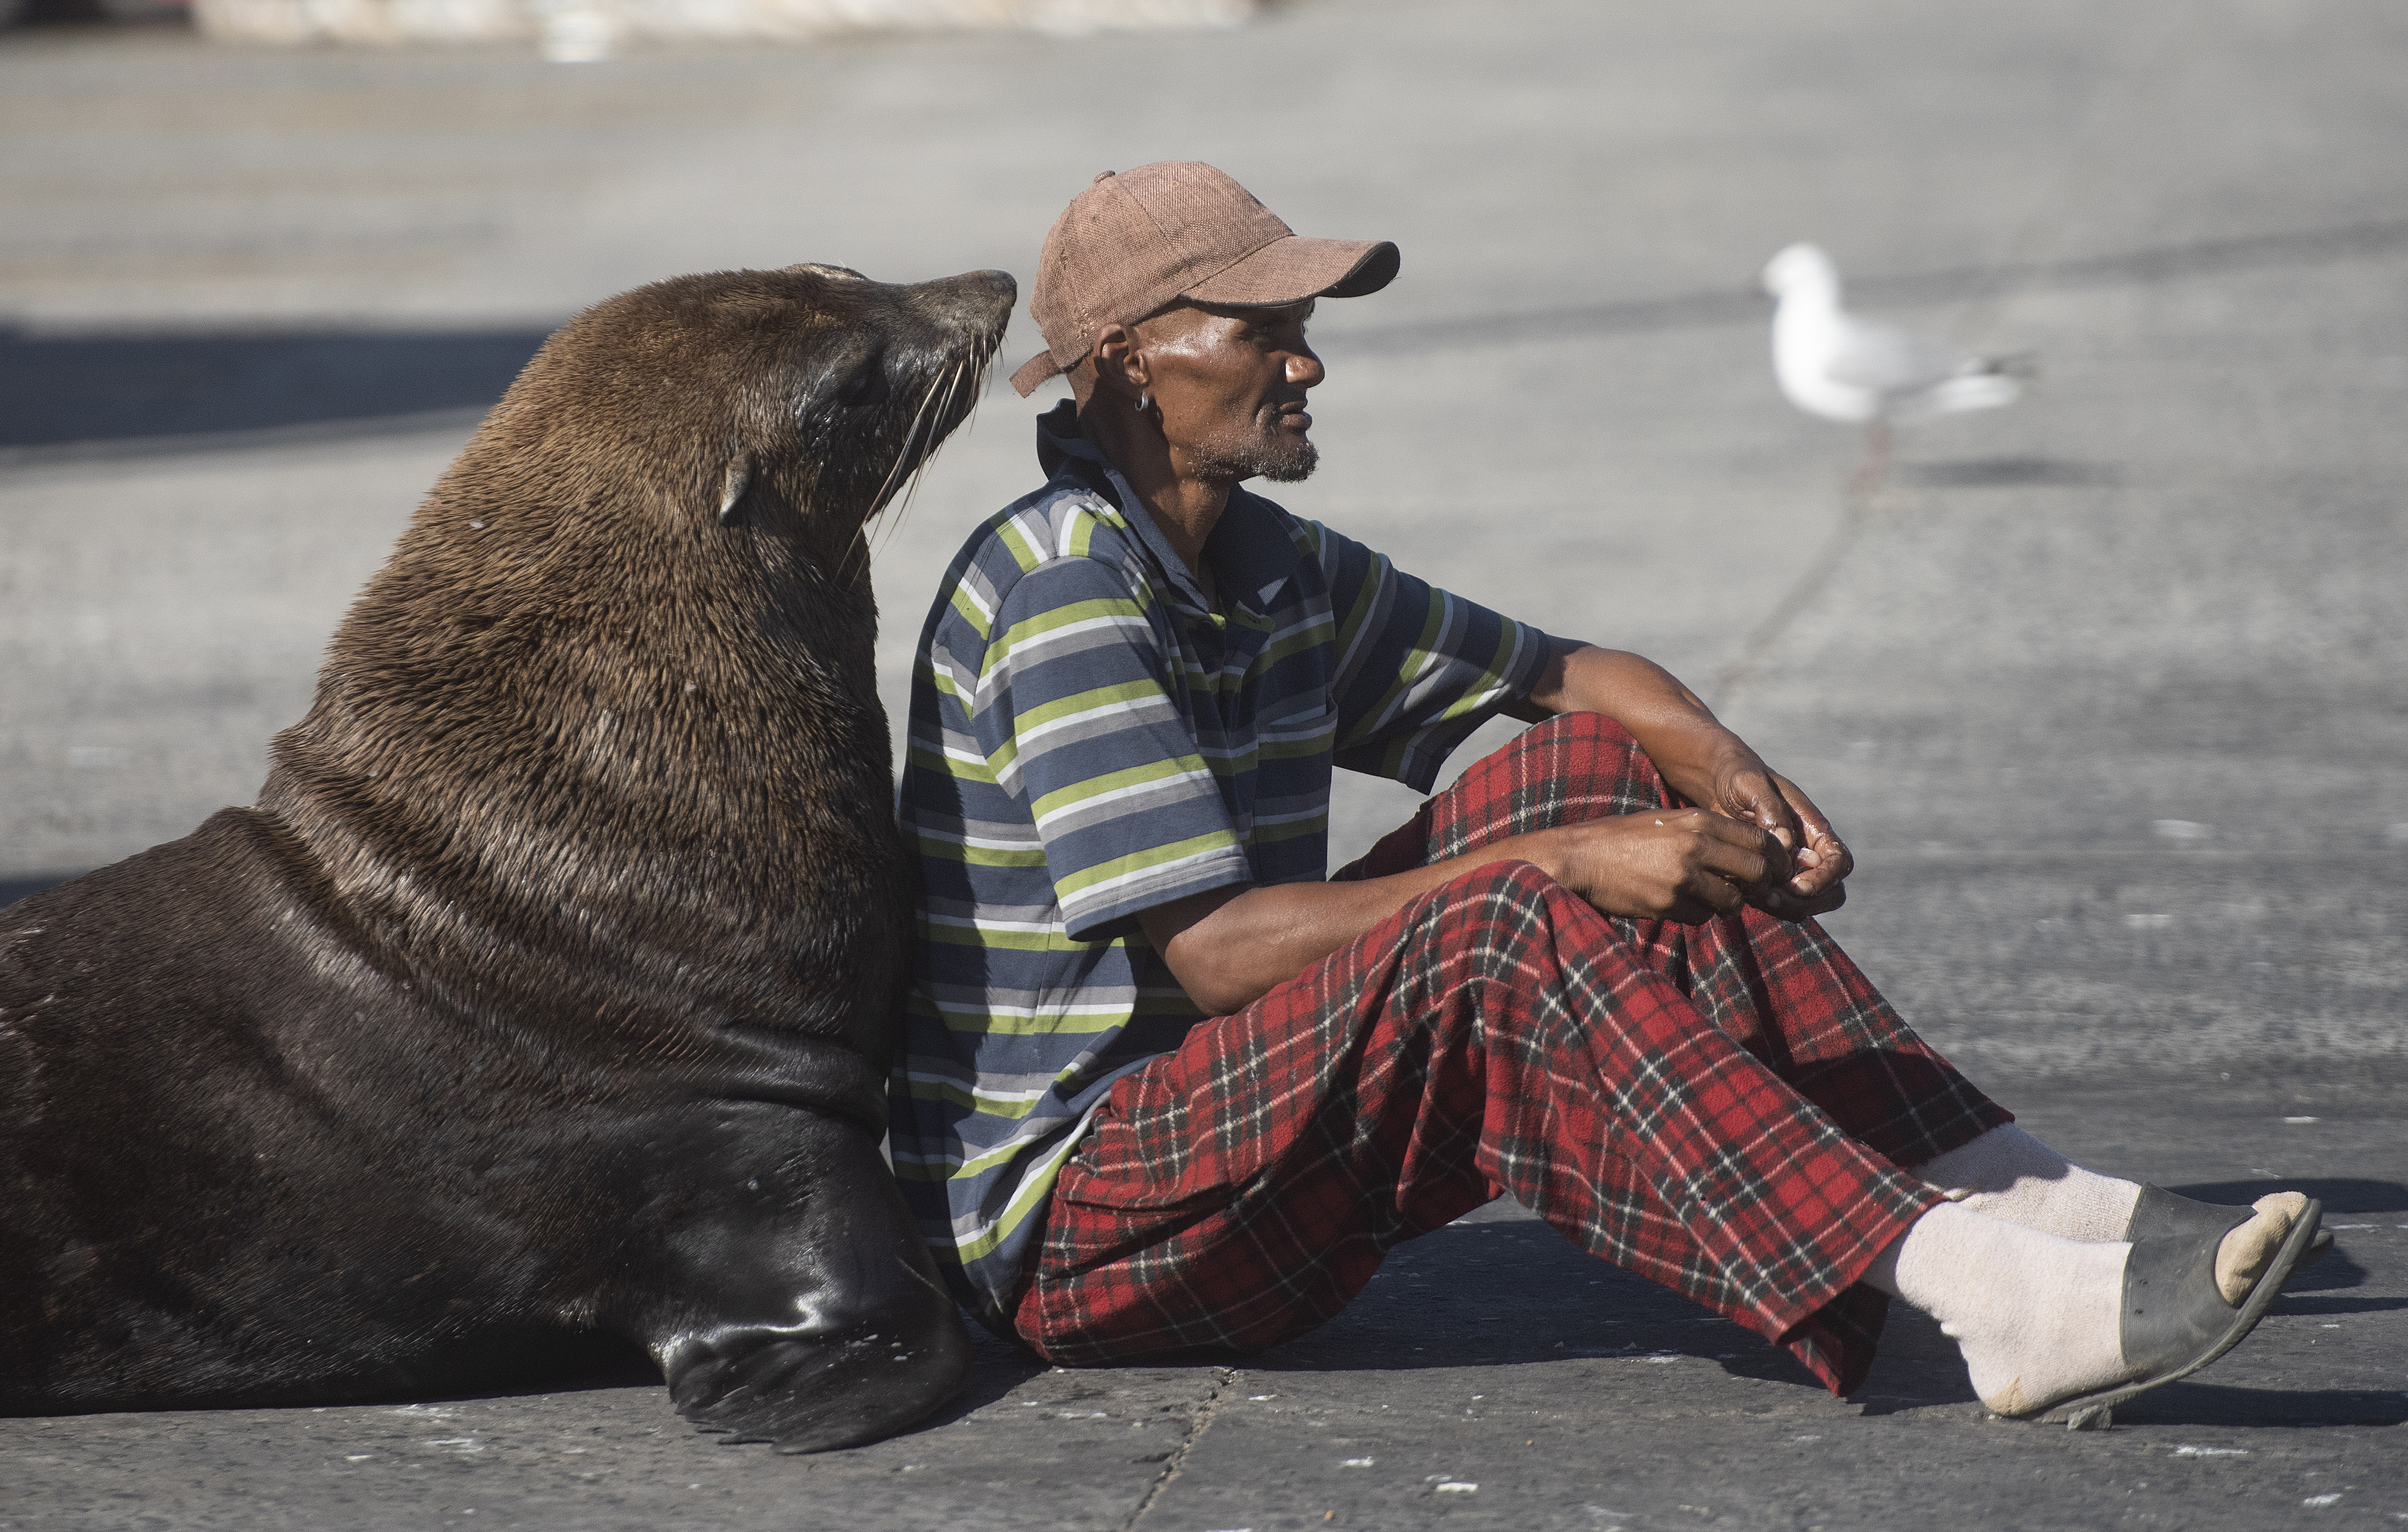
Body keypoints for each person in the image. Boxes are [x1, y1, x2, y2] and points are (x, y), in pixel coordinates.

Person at [887, 161, 2323, 1425]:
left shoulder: (1265, 563)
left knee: (1594, 773)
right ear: (1133, 360)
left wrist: (1726, 777)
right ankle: (1988, 1292)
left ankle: (2039, 1205)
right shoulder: (1067, 594)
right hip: (1082, 1231)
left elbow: (1574, 679)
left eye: (1305, 328)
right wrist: (1574, 864)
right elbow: (1214, 956)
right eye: (1262, 333)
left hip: (1230, 1150)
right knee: (1506, 918)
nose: (1307, 364)